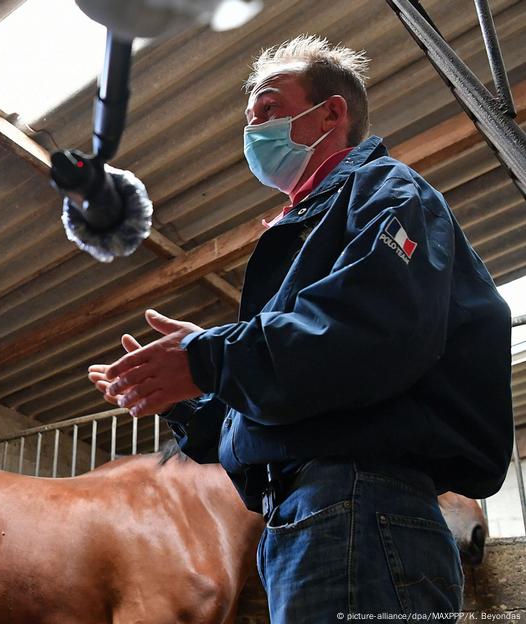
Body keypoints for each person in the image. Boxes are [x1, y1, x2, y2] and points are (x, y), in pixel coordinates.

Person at [88, 35, 512, 622]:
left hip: (358, 503)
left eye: (267, 107)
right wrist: (192, 393)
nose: (253, 128)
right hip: (308, 517)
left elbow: (373, 332)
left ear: (330, 114)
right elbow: (281, 409)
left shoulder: (385, 192)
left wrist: (209, 357)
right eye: (249, 118)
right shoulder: (306, 230)